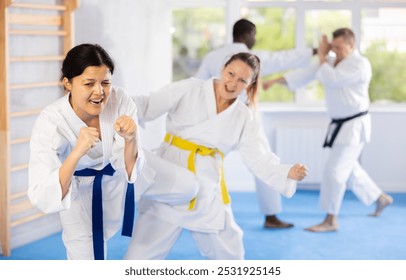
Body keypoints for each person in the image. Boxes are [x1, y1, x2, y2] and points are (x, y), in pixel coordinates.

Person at [124, 52, 308, 260]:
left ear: (250, 84)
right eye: (231, 74)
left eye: (242, 81)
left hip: (207, 187)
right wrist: (113, 106)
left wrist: (286, 172)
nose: (232, 83)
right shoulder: (191, 88)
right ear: (223, 68)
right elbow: (148, 104)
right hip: (170, 179)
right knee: (138, 259)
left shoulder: (243, 116)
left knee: (231, 254)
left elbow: (258, 156)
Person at [27, 44, 197, 260]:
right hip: (77, 192)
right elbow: (44, 191)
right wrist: (77, 152)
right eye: (89, 83)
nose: (99, 92)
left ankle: (150, 212)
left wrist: (131, 138)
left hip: (120, 174)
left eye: (105, 83)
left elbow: (128, 165)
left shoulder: (120, 99)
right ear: (67, 83)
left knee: (188, 187)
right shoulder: (51, 121)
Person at [262, 28, 393, 232]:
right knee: (348, 169)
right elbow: (306, 74)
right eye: (334, 47)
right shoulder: (330, 62)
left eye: (340, 48)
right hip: (341, 126)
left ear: (352, 45)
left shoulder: (360, 64)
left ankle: (331, 220)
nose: (336, 51)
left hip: (354, 126)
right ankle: (380, 198)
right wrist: (273, 82)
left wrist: (323, 55)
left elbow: (331, 78)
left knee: (334, 171)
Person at [195, 18, 317, 229]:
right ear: (246, 35)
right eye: (254, 34)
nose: (255, 38)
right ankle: (271, 216)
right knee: (263, 162)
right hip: (243, 121)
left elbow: (198, 85)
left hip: (214, 119)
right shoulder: (251, 58)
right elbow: (283, 59)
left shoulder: (212, 56)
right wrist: (312, 51)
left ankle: (195, 213)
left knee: (202, 163)